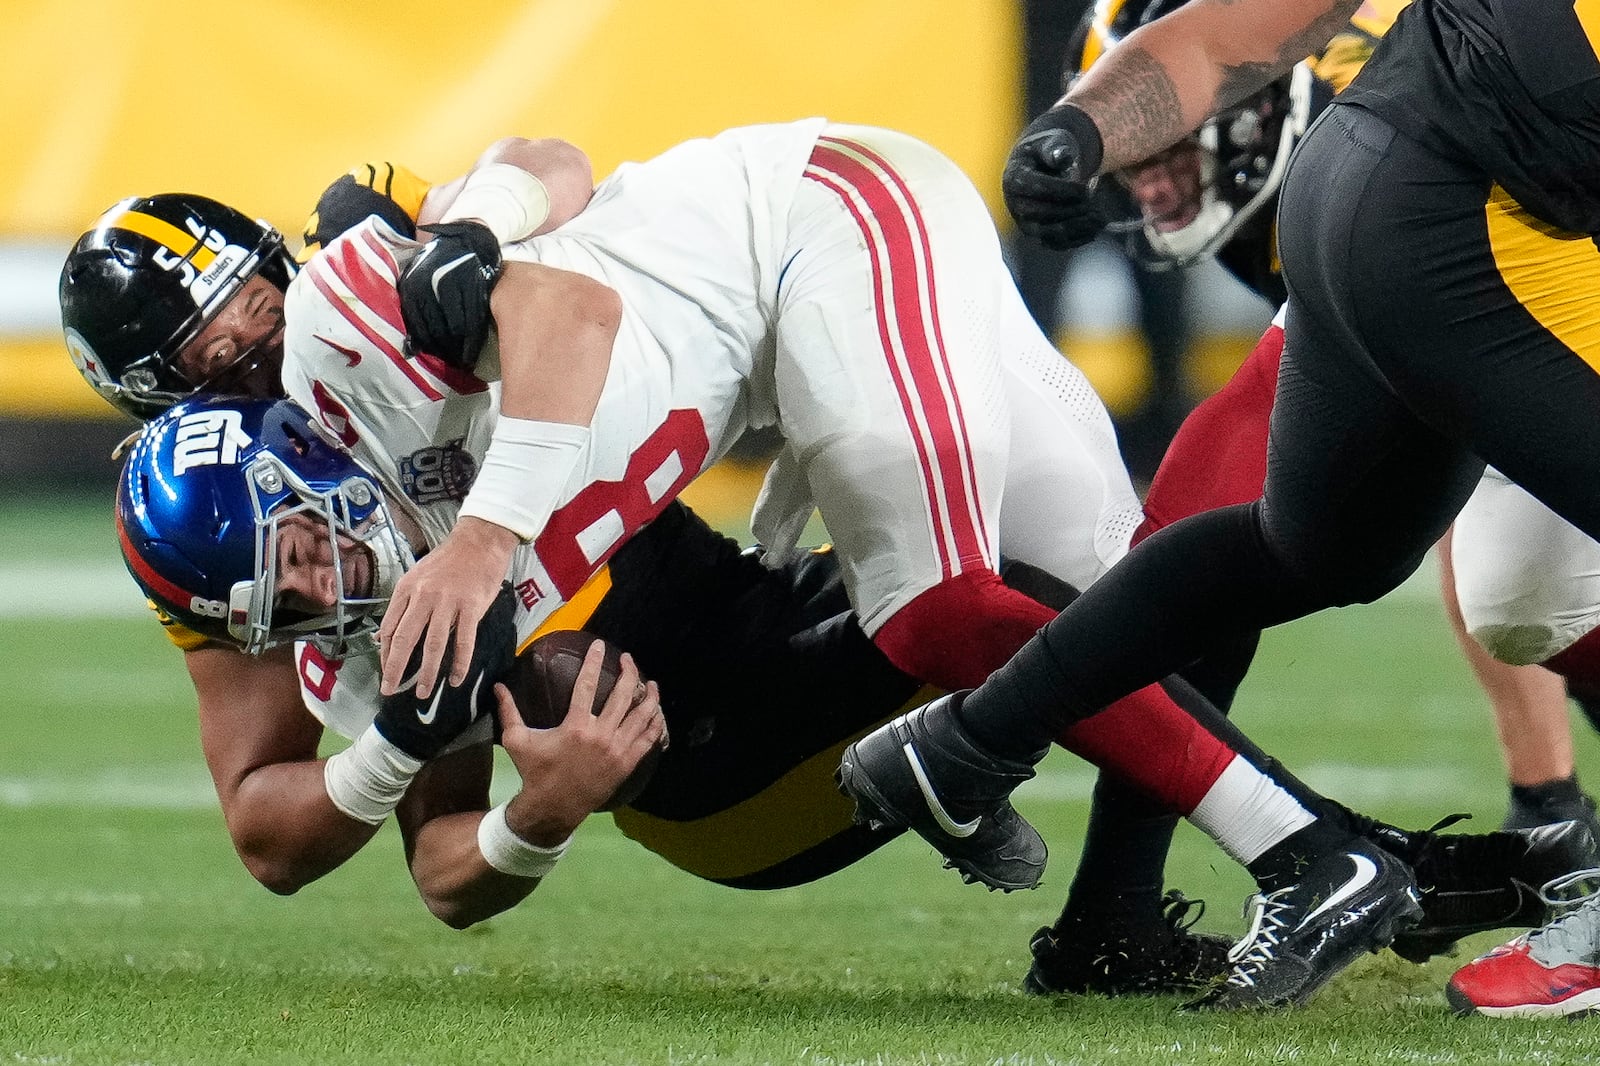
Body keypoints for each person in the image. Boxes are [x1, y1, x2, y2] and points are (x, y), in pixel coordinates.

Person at [279, 118, 1589, 1009]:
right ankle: (1129, 922)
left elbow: (552, 240)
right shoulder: (390, 552)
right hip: (796, 331)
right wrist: (508, 800)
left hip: (821, 216)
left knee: (941, 597)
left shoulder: (422, 340)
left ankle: (1315, 851)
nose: (310, 564)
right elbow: (333, 840)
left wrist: (484, 514)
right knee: (1115, 597)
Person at [59, 168, 1229, 990]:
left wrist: (476, 231)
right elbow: (315, 840)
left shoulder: (357, 305)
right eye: (223, 366)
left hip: (732, 598)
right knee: (563, 671)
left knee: (1105, 581)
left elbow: (553, 181)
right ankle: (1011, 771)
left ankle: (1074, 871)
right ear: (175, 411)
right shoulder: (242, 541)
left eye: (263, 312)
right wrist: (507, 797)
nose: (271, 362)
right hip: (698, 755)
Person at [840, 0, 1600, 1012]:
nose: (1152, 182)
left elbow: (1226, 28)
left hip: (1361, 190)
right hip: (1473, 224)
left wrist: (1079, 128)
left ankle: (971, 742)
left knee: (1411, 566)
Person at [1070, 0, 1600, 842]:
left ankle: (1552, 812)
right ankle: (1553, 813)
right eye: (1135, 161)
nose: (1153, 186)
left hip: (1524, 253)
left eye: (1164, 148)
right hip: (1471, 264)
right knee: (1510, 580)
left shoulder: (1356, 98)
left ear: (1256, 110)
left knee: (1512, 568)